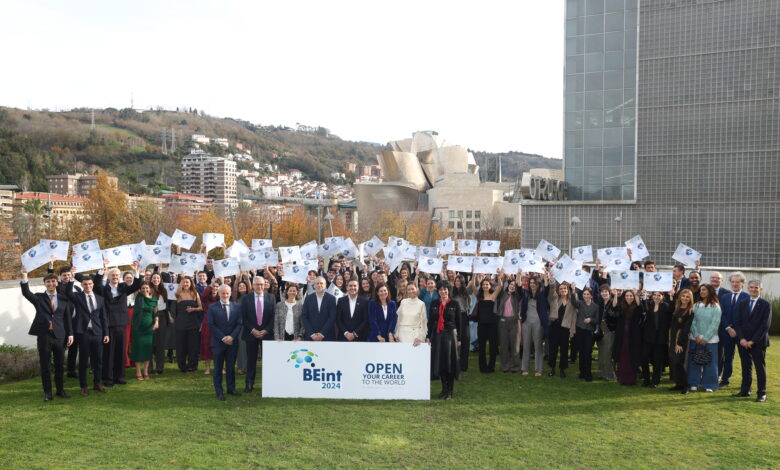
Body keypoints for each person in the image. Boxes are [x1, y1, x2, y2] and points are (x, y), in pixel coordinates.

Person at [20, 270, 74, 401]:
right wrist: (24, 276)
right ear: (44, 284)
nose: (51, 283)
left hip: (60, 336)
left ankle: (60, 391)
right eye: (48, 281)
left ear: (57, 283)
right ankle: (48, 393)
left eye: (53, 281)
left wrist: (71, 334)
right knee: (45, 365)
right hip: (44, 336)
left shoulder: (63, 298)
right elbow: (26, 293)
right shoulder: (39, 297)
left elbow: (67, 318)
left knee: (60, 365)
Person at [90, 260, 141, 387]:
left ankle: (120, 377)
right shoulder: (104, 289)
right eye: (113, 275)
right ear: (110, 277)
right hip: (108, 324)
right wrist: (103, 271)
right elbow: (97, 284)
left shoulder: (123, 288)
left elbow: (136, 286)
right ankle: (107, 378)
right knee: (108, 353)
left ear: (120, 277)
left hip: (122, 324)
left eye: (117, 275)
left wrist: (136, 271)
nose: (115, 277)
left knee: (120, 352)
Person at [64, 274, 109, 396]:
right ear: (82, 285)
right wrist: (71, 279)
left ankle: (97, 384)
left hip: (98, 333)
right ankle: (83, 386)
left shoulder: (100, 299)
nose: (88, 286)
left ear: (93, 284)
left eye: (90, 284)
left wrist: (106, 333)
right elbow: (68, 292)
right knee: (83, 361)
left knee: (98, 360)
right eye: (85, 284)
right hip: (83, 333)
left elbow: (104, 317)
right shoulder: (78, 297)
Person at [732, 280, 771, 402]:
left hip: (758, 342)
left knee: (760, 368)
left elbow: (765, 325)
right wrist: (742, 339)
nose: (753, 289)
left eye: (756, 287)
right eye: (751, 287)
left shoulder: (766, 304)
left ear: (761, 289)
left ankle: (761, 393)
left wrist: (752, 341)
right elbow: (737, 322)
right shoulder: (742, 303)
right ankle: (745, 390)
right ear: (748, 288)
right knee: (745, 366)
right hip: (743, 341)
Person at [428, 282, 464, 400]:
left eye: (445, 290)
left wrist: (459, 339)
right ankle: (443, 389)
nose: (443, 292)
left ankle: (450, 391)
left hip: (450, 336)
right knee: (441, 363)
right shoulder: (434, 304)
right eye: (441, 290)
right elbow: (430, 321)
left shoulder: (454, 304)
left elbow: (459, 323)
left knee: (449, 363)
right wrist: (428, 335)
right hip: (438, 336)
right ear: (438, 291)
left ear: (448, 290)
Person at [240, 276, 275, 393]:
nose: (259, 286)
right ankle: (249, 383)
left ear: (265, 285)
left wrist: (266, 330)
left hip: (267, 334)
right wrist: (253, 330)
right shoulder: (246, 298)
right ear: (253, 285)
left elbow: (273, 317)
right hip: (251, 334)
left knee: (269, 361)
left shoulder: (271, 298)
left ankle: (270, 384)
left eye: (261, 284)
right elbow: (243, 317)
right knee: (251, 360)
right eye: (257, 284)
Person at [208, 284, 242, 401]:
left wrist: (232, 337)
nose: (225, 295)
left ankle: (231, 389)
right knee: (218, 368)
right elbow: (211, 325)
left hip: (232, 343)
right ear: (218, 293)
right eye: (223, 293)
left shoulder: (237, 307)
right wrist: (223, 338)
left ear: (230, 293)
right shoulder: (212, 308)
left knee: (230, 367)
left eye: (227, 293)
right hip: (218, 343)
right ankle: (219, 391)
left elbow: (239, 324)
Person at [687, 285, 722, 392]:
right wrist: (697, 336)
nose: (701, 292)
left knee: (710, 362)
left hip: (710, 339)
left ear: (710, 291)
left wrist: (705, 338)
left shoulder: (716, 306)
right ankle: (693, 383)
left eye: (704, 290)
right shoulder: (696, 305)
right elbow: (692, 321)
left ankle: (710, 385)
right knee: (694, 361)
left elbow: (715, 324)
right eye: (700, 290)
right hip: (695, 338)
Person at [718, 271, 748, 388]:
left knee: (744, 359)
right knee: (727, 357)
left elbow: (747, 317)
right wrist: (728, 328)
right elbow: (722, 314)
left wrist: (737, 330)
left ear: (742, 283)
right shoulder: (725, 297)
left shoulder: (747, 297)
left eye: (737, 282)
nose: (735, 284)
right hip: (727, 333)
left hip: (742, 334)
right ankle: (725, 380)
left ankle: (746, 383)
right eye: (733, 282)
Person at [470, 274, 502, 373]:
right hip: (481, 325)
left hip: (492, 325)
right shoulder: (479, 296)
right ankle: (483, 367)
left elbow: (500, 286)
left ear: (490, 286)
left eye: (487, 284)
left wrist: (499, 275)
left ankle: (491, 367)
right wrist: (474, 275)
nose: (485, 286)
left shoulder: (493, 295)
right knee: (482, 347)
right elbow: (472, 286)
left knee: (492, 347)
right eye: (483, 284)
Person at [546, 279, 578, 378]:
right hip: (554, 327)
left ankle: (562, 370)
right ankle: (552, 369)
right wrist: (551, 282)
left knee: (564, 350)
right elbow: (551, 291)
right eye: (561, 289)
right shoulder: (554, 298)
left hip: (565, 329)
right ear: (558, 290)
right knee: (553, 349)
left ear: (567, 290)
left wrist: (572, 330)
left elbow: (574, 317)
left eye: (564, 288)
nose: (563, 290)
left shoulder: (572, 302)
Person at [612, 289, 644, 386]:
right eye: (627, 296)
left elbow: (640, 308)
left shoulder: (637, 306)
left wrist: (636, 294)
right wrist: (615, 295)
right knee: (622, 355)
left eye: (631, 296)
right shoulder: (622, 305)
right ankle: (622, 378)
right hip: (621, 334)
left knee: (632, 355)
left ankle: (631, 379)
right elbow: (614, 306)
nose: (629, 297)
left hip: (633, 335)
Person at [640, 291, 671, 388]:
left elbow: (672, 313)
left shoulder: (666, 306)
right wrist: (644, 297)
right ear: (652, 296)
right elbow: (644, 309)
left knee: (658, 360)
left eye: (659, 295)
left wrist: (671, 296)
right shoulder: (648, 304)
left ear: (662, 297)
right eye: (655, 295)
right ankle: (646, 379)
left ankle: (655, 381)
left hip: (660, 338)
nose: (657, 297)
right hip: (648, 337)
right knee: (644, 358)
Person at [130, 282, 159, 381]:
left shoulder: (154, 300)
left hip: (149, 328)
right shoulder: (139, 298)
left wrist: (156, 322)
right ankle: (138, 371)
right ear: (140, 289)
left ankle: (145, 371)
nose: (145, 290)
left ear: (150, 289)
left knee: (147, 350)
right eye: (142, 288)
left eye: (146, 288)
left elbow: (156, 313)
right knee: (138, 349)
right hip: (138, 327)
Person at [173, 276, 203, 372]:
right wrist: (181, 278)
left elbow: (201, 308)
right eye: (183, 282)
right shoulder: (178, 294)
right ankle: (182, 366)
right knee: (181, 346)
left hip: (193, 323)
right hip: (181, 323)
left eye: (187, 282)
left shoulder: (195, 293)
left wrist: (193, 309)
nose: (185, 284)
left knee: (193, 346)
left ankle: (192, 365)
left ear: (191, 284)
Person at [520, 276, 548, 377]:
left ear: (538, 284)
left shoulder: (542, 294)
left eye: (534, 283)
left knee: (538, 347)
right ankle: (525, 368)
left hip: (538, 323)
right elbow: (519, 288)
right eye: (530, 282)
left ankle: (538, 370)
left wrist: (546, 276)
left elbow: (547, 287)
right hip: (526, 322)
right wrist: (519, 275)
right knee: (526, 346)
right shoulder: (526, 293)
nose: (532, 284)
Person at [669, 289, 694, 393]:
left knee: (679, 362)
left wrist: (679, 343)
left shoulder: (690, 311)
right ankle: (678, 384)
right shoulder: (677, 308)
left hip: (681, 339)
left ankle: (686, 385)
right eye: (683, 296)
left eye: (687, 297)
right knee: (674, 362)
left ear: (690, 299)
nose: (685, 298)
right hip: (673, 338)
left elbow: (686, 328)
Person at [496, 277, 521, 373]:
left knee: (515, 346)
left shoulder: (517, 296)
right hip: (503, 321)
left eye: (514, 286)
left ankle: (515, 366)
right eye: (511, 285)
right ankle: (505, 366)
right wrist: (500, 275)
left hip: (514, 322)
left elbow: (519, 288)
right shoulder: (503, 294)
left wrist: (518, 275)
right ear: (508, 286)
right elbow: (500, 285)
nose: (512, 287)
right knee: (503, 345)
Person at [301, 277, 338, 341]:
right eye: (317, 283)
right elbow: (304, 317)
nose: (319, 285)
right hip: (311, 337)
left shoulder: (331, 299)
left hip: (327, 336)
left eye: (321, 283)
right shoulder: (308, 299)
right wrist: (312, 334)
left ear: (325, 285)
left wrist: (322, 334)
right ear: (314, 286)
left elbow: (332, 317)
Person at [574, 287, 598, 382]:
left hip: (589, 332)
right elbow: (574, 302)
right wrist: (573, 291)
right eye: (584, 294)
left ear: (591, 295)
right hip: (580, 330)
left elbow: (597, 320)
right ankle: (582, 372)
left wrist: (591, 320)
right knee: (581, 352)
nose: (586, 296)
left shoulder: (596, 306)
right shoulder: (580, 303)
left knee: (587, 353)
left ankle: (588, 373)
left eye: (588, 294)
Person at [200, 279, 222, 375]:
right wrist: (211, 284)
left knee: (220, 345)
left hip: (219, 324)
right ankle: (207, 368)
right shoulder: (206, 298)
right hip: (207, 323)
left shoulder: (221, 298)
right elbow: (203, 295)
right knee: (206, 344)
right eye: (214, 286)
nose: (215, 288)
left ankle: (220, 367)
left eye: (217, 286)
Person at [596, 285, 617, 381]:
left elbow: (615, 310)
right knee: (601, 353)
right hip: (600, 330)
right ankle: (601, 373)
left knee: (607, 353)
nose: (604, 293)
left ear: (609, 293)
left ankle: (610, 375)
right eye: (602, 292)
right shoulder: (600, 303)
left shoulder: (612, 302)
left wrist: (615, 295)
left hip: (609, 330)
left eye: (606, 292)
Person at [450, 275, 471, 372]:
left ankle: (464, 365)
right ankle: (454, 364)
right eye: (456, 281)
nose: (457, 282)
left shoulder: (466, 292)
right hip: (454, 317)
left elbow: (468, 305)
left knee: (465, 340)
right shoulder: (452, 292)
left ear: (462, 282)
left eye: (458, 281)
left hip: (463, 316)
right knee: (454, 340)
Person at [149, 273, 169, 374]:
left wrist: (169, 316)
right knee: (151, 342)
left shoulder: (163, 290)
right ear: (151, 279)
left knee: (161, 343)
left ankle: (160, 367)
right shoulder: (148, 289)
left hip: (162, 316)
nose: (156, 279)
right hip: (151, 316)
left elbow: (166, 305)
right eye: (154, 278)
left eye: (158, 278)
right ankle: (149, 367)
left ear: (160, 279)